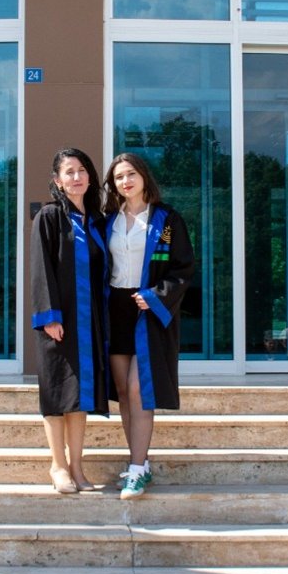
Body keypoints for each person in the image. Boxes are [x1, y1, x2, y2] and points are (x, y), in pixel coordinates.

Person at [103, 151, 195, 500]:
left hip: (150, 312)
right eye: (118, 177)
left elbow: (182, 269)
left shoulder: (167, 221)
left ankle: (139, 469)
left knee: (140, 391)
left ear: (143, 176)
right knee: (124, 394)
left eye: (130, 174)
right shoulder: (107, 220)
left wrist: (157, 295)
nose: (125, 182)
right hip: (116, 311)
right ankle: (136, 462)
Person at [28, 147, 110, 494]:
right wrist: (49, 317)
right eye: (69, 172)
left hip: (89, 320)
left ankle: (78, 468)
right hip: (58, 321)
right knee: (57, 393)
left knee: (81, 396)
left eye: (82, 170)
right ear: (57, 181)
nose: (77, 177)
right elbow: (40, 269)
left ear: (90, 177)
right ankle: (57, 466)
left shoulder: (98, 222)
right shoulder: (49, 217)